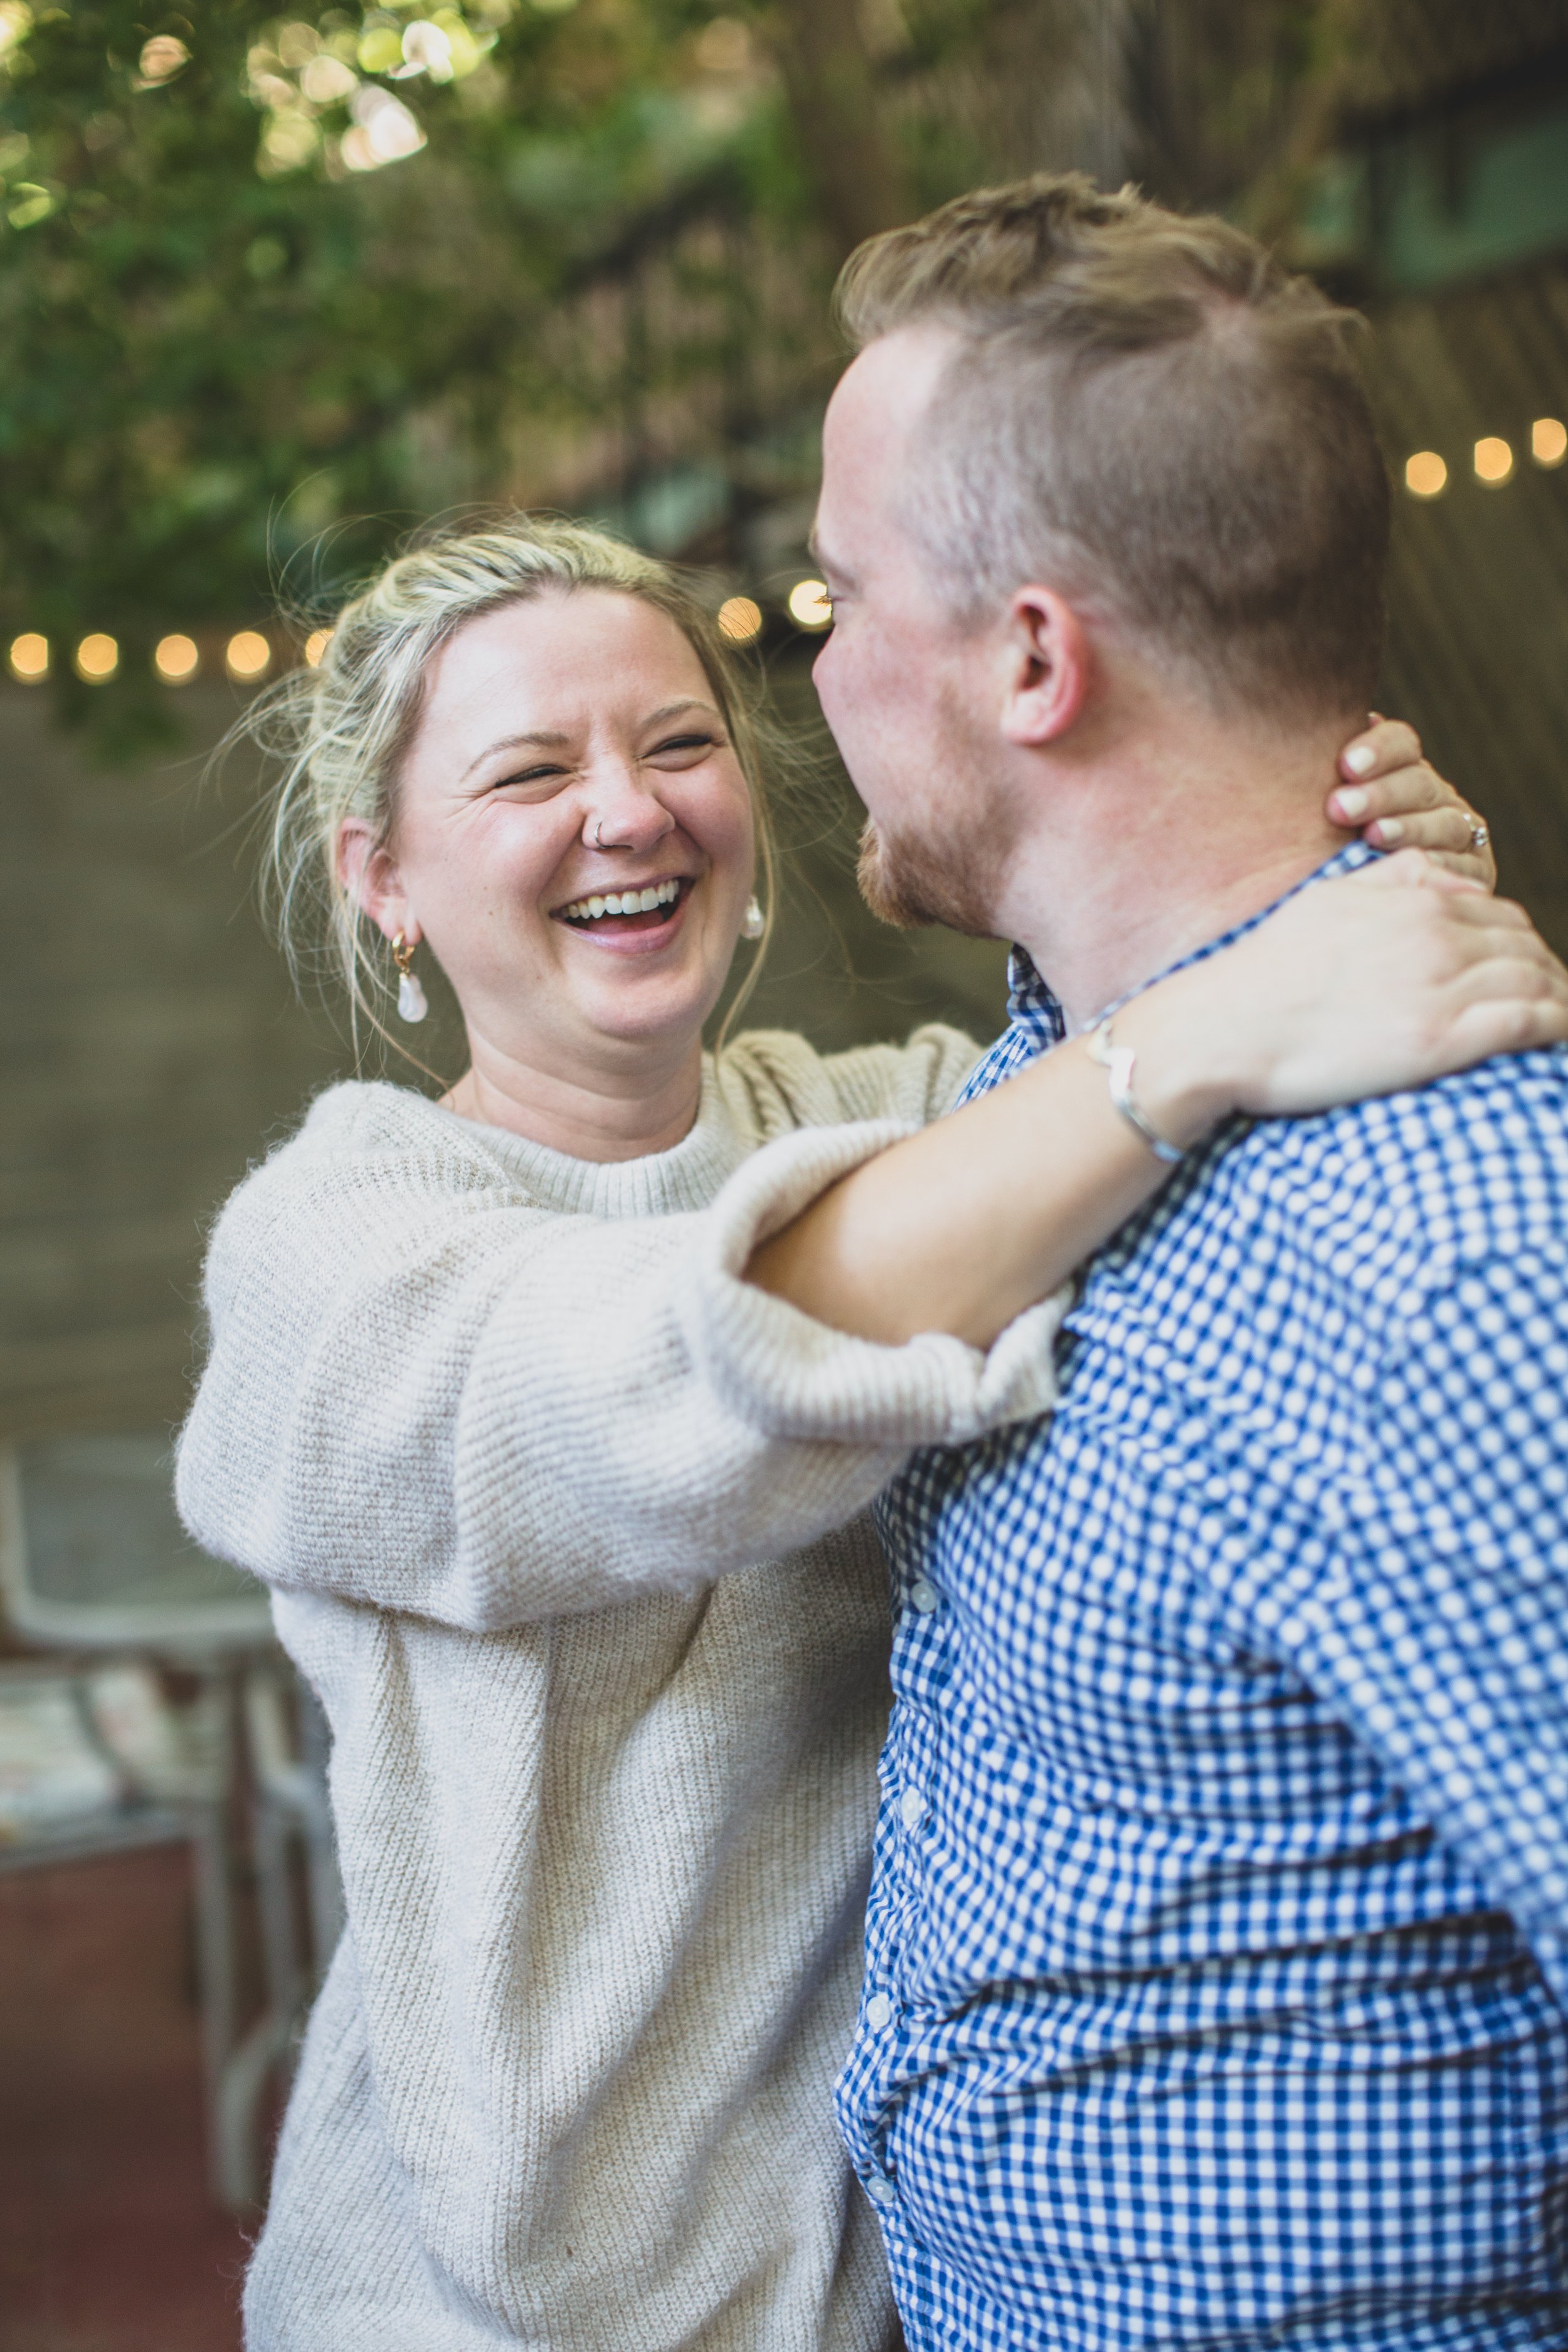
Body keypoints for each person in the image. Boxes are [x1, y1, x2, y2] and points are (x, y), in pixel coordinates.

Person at [174, 517, 1561, 2352]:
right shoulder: (329, 1245)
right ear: (386, 881)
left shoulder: (923, 1118)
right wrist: (1211, 1019)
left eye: (677, 746)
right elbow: (662, 1382)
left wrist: (1346, 887)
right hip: (487, 2303)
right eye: (529, 773)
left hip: (895, 2285)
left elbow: (1200, 1071)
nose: (628, 812)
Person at [756, 174, 1568, 2351]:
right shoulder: (1037, 1110)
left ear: (1031, 656)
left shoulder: (1452, 1264)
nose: (815, 659)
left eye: (839, 592)